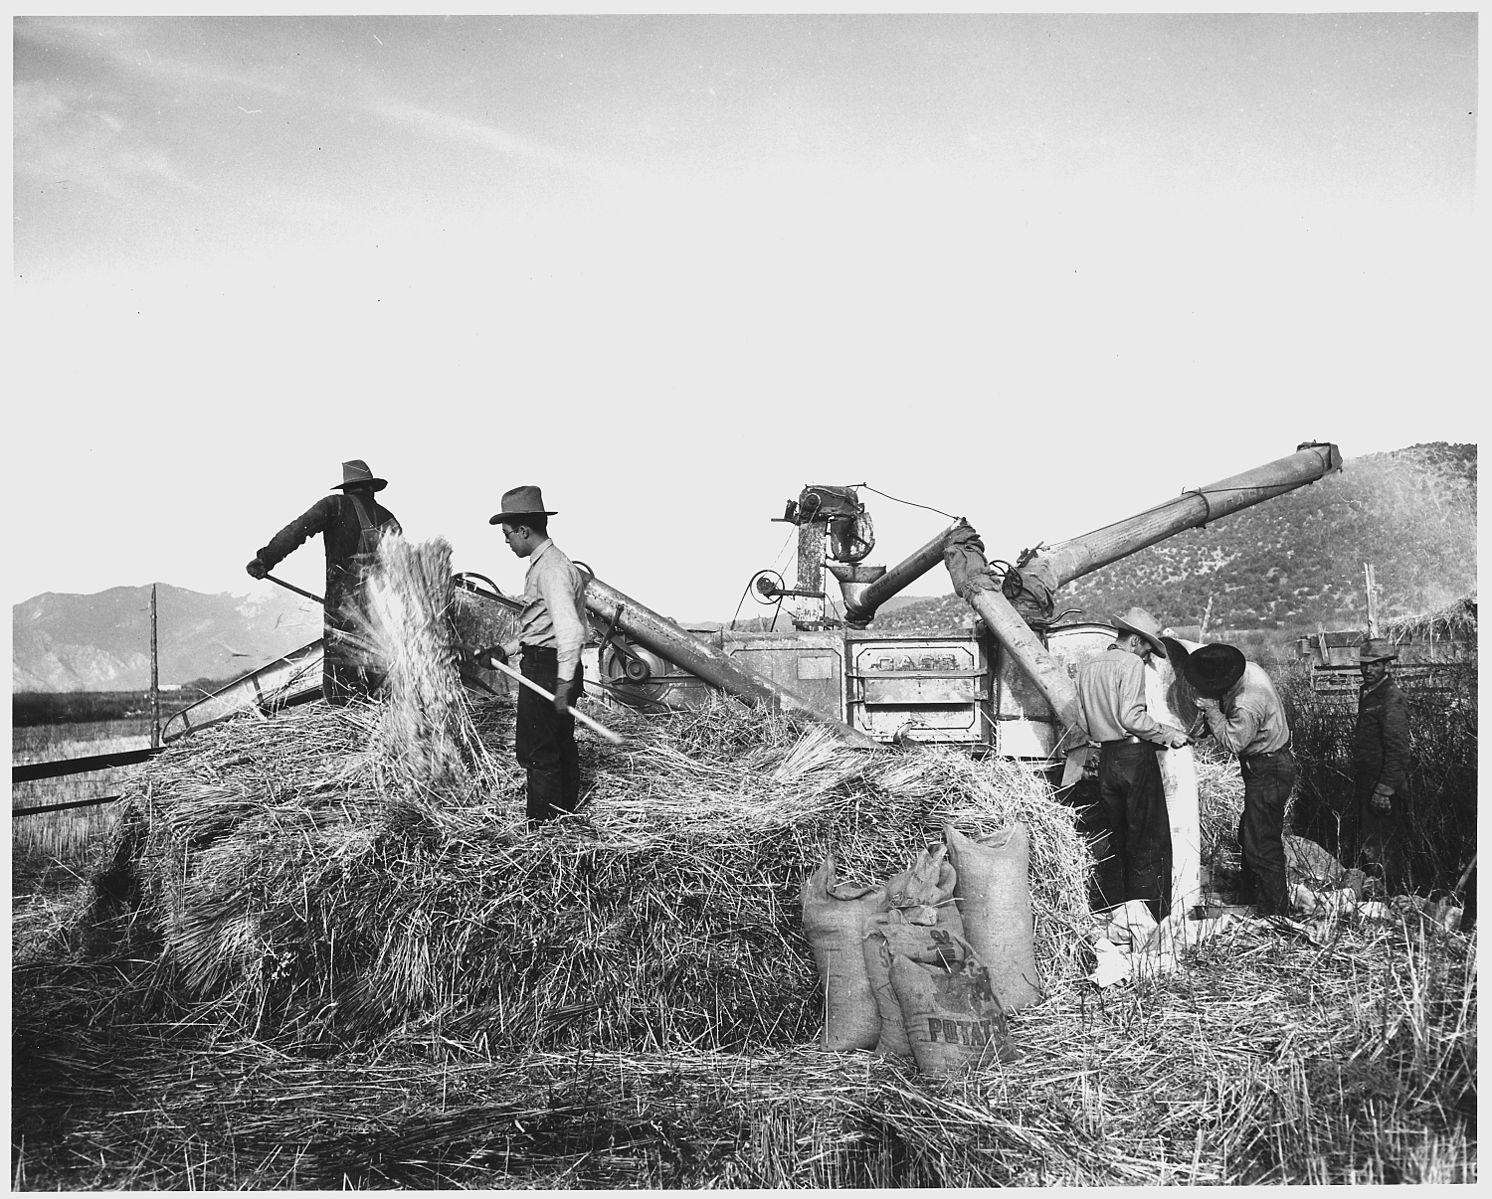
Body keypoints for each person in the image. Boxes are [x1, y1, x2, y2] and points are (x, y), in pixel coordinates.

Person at [246, 459, 401, 705]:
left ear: (346, 488)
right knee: (380, 680)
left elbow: (297, 530)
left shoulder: (335, 505)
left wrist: (265, 559)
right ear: (370, 488)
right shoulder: (389, 519)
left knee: (343, 686)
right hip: (383, 614)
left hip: (343, 611)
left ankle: (348, 724)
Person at [1074, 607, 1191, 920]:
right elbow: (1131, 717)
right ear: (1137, 642)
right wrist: (1168, 734)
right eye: (1147, 650)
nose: (1145, 657)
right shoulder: (1130, 664)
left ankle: (1119, 913)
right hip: (1134, 757)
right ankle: (1151, 918)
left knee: (1118, 838)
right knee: (1148, 840)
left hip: (1107, 760)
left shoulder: (1089, 666)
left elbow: (1083, 721)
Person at [483, 485, 589, 825]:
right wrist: (505, 650)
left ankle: (543, 832)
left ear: (524, 530)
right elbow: (541, 627)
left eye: (508, 533)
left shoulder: (552, 569)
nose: (506, 541)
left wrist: (561, 683)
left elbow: (569, 630)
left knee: (537, 752)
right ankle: (566, 817)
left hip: (549, 669)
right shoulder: (548, 564)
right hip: (550, 664)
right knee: (559, 744)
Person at [1183, 643, 1296, 916]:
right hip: (1266, 766)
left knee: (1262, 843)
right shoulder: (1248, 671)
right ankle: (1253, 896)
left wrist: (1211, 711)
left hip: (1268, 769)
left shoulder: (1247, 702)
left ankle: (1275, 913)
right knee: (1252, 832)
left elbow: (1233, 741)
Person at [1347, 638, 1412, 891]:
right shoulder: (1369, 693)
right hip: (1368, 782)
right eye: (1364, 665)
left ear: (1386, 665)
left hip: (1384, 786)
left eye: (1375, 665)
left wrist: (1384, 790)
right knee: (1371, 843)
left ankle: (1395, 898)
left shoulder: (1391, 697)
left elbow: (1398, 750)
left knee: (1386, 847)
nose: (1368, 670)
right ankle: (1377, 894)